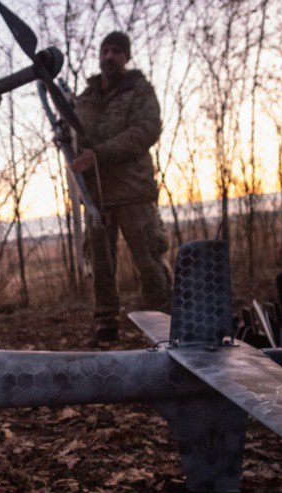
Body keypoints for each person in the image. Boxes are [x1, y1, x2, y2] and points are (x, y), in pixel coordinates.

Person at [71, 31, 172, 346]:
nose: (109, 56)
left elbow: (146, 130)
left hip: (132, 190)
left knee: (149, 259)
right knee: (100, 262)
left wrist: (99, 155)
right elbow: (77, 137)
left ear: (126, 57)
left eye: (116, 51)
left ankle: (168, 324)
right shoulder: (84, 98)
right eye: (105, 50)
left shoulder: (139, 90)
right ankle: (106, 324)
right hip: (97, 195)